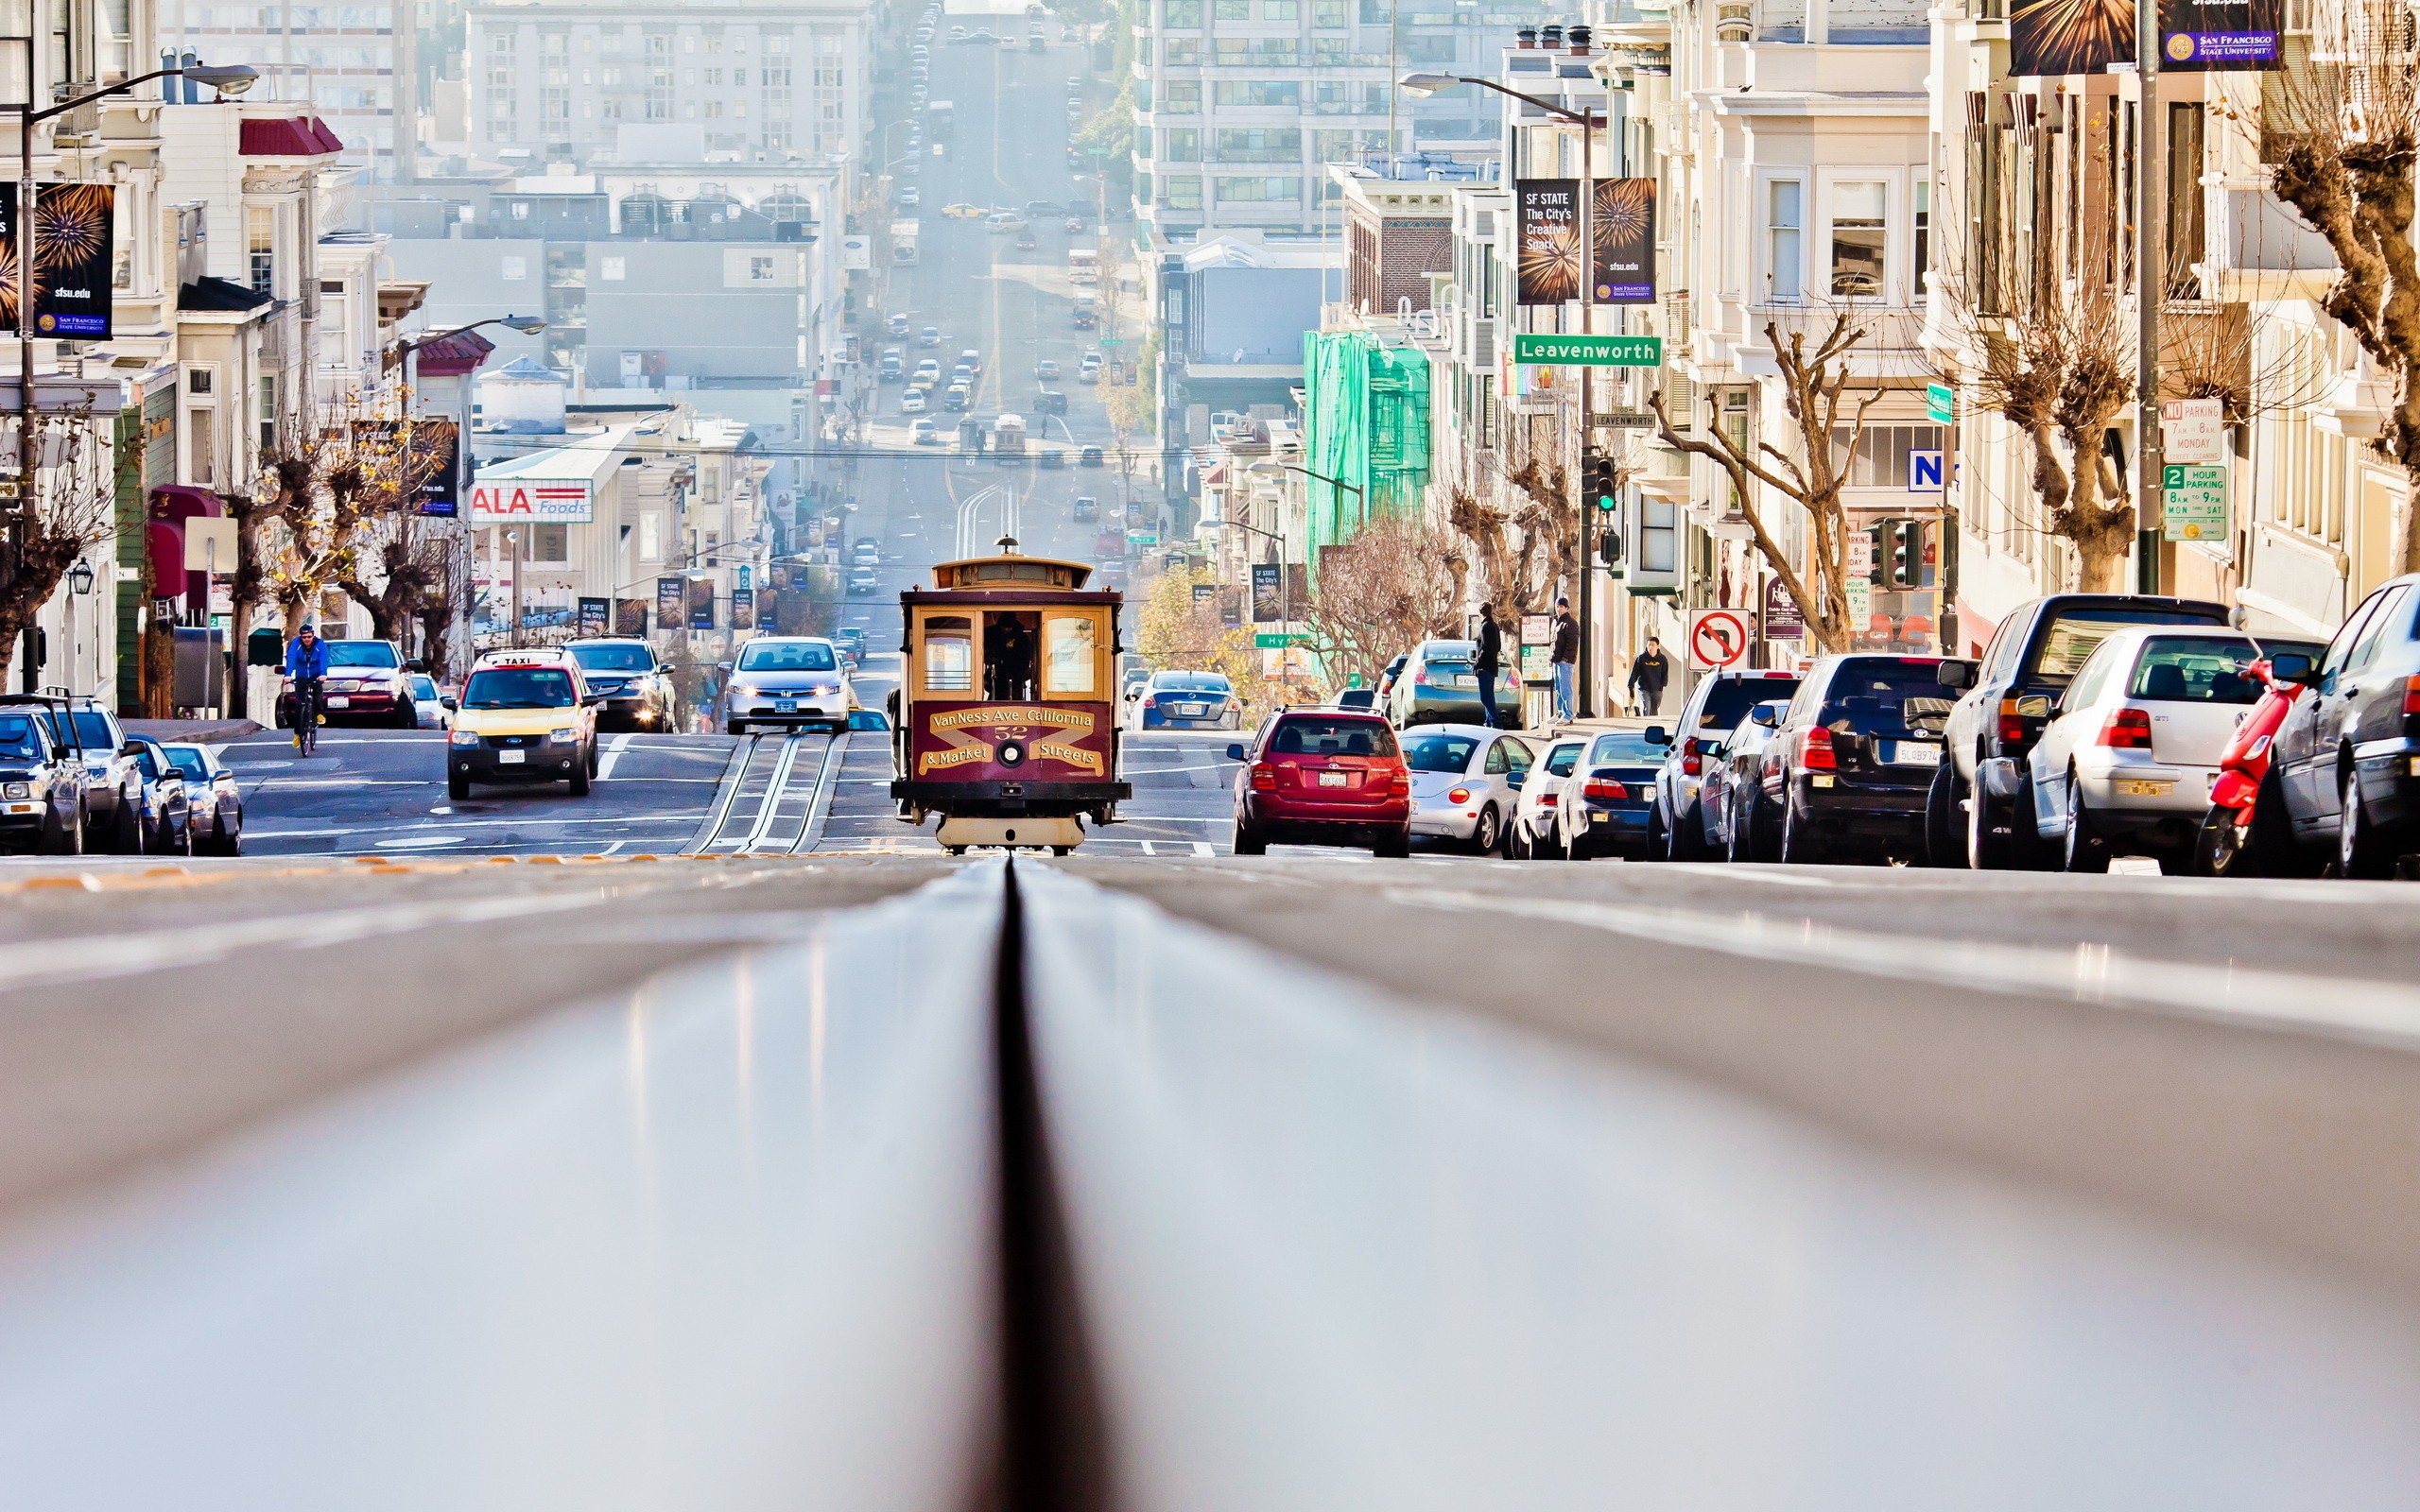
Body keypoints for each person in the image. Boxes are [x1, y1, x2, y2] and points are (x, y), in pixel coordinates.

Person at [283, 626, 330, 752]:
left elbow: (324, 659)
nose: (307, 639)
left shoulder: (320, 644)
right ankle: (298, 734)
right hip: (301, 675)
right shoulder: (296, 644)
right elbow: (291, 658)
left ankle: (319, 714)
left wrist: (323, 673)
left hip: (316, 675)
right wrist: (288, 675)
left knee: (318, 692)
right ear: (300, 637)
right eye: (304, 637)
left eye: (309, 636)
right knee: (299, 704)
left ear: (313, 635)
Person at [1474, 602, 1503, 730]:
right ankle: (1488, 722)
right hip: (1493, 665)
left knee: (1485, 697)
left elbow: (1484, 648)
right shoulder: (1495, 626)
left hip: (1485, 666)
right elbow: (1498, 647)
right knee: (1489, 695)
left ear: (1481, 613)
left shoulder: (1485, 626)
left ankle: (1495, 722)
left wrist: (1478, 663)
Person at [1550, 598, 1580, 722]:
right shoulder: (1556, 621)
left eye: (1562, 606)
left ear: (1567, 608)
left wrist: (1565, 659)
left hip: (1565, 662)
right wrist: (1550, 658)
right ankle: (1561, 712)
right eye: (1558, 606)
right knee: (1558, 688)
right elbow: (1553, 642)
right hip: (1556, 661)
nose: (1559, 608)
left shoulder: (1570, 623)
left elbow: (1572, 644)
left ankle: (1568, 714)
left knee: (1565, 688)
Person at [1629, 633, 1671, 716]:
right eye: (1649, 645)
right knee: (1647, 707)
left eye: (1653, 645)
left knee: (1654, 709)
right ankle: (1646, 724)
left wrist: (1662, 684)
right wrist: (1630, 685)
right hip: (1644, 688)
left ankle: (1653, 724)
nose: (1650, 647)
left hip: (1657, 689)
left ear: (1657, 646)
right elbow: (1635, 672)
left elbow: (1664, 673)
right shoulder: (1641, 658)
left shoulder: (1662, 659)